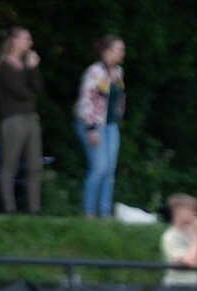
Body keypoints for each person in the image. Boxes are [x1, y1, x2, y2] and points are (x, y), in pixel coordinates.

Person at [74, 35, 125, 218]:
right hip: (92, 125)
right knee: (99, 167)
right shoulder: (94, 72)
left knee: (110, 170)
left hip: (111, 125)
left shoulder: (118, 71)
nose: (122, 53)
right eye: (119, 49)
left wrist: (118, 114)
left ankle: (105, 213)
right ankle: (88, 212)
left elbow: (117, 97)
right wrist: (91, 128)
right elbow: (84, 103)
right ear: (107, 51)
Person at [0, 26, 43, 214]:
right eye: (26, 39)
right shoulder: (4, 65)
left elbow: (37, 87)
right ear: (14, 40)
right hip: (13, 118)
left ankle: (34, 209)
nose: (29, 43)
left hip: (31, 117)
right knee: (10, 164)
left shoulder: (27, 65)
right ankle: (9, 207)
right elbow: (21, 92)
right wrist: (29, 73)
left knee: (34, 165)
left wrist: (32, 70)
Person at [160, 194, 197, 286]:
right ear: (179, 211)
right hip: (174, 289)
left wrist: (193, 260)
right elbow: (191, 262)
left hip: (192, 289)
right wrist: (195, 238)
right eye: (191, 210)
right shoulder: (170, 236)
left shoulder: (195, 233)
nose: (195, 214)